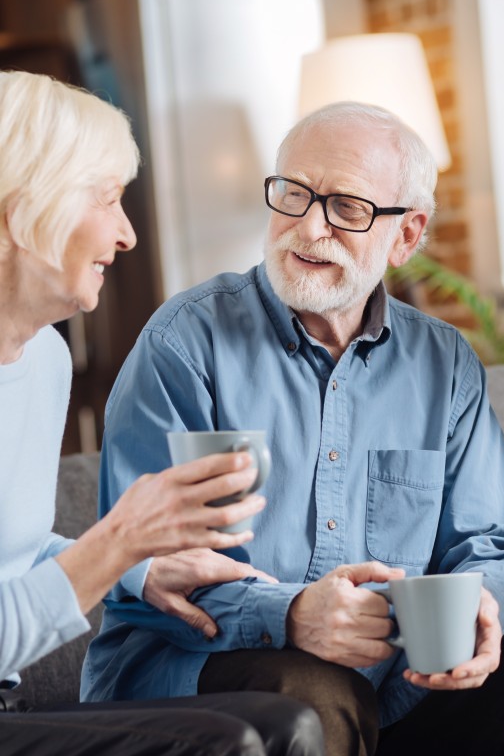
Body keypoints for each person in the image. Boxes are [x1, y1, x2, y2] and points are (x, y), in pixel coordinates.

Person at [81, 100, 504, 756]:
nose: (308, 227)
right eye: (293, 194)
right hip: (196, 675)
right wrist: (291, 616)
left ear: (407, 236)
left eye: (345, 207)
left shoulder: (444, 361)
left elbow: (494, 546)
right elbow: (140, 560)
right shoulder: (185, 343)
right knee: (315, 696)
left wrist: (482, 608)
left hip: (395, 686)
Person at [0, 70, 324, 756]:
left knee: (286, 726)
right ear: (25, 204)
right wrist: (116, 541)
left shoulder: (45, 361)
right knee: (224, 745)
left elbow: (14, 557)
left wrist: (137, 567)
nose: (126, 236)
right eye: (109, 200)